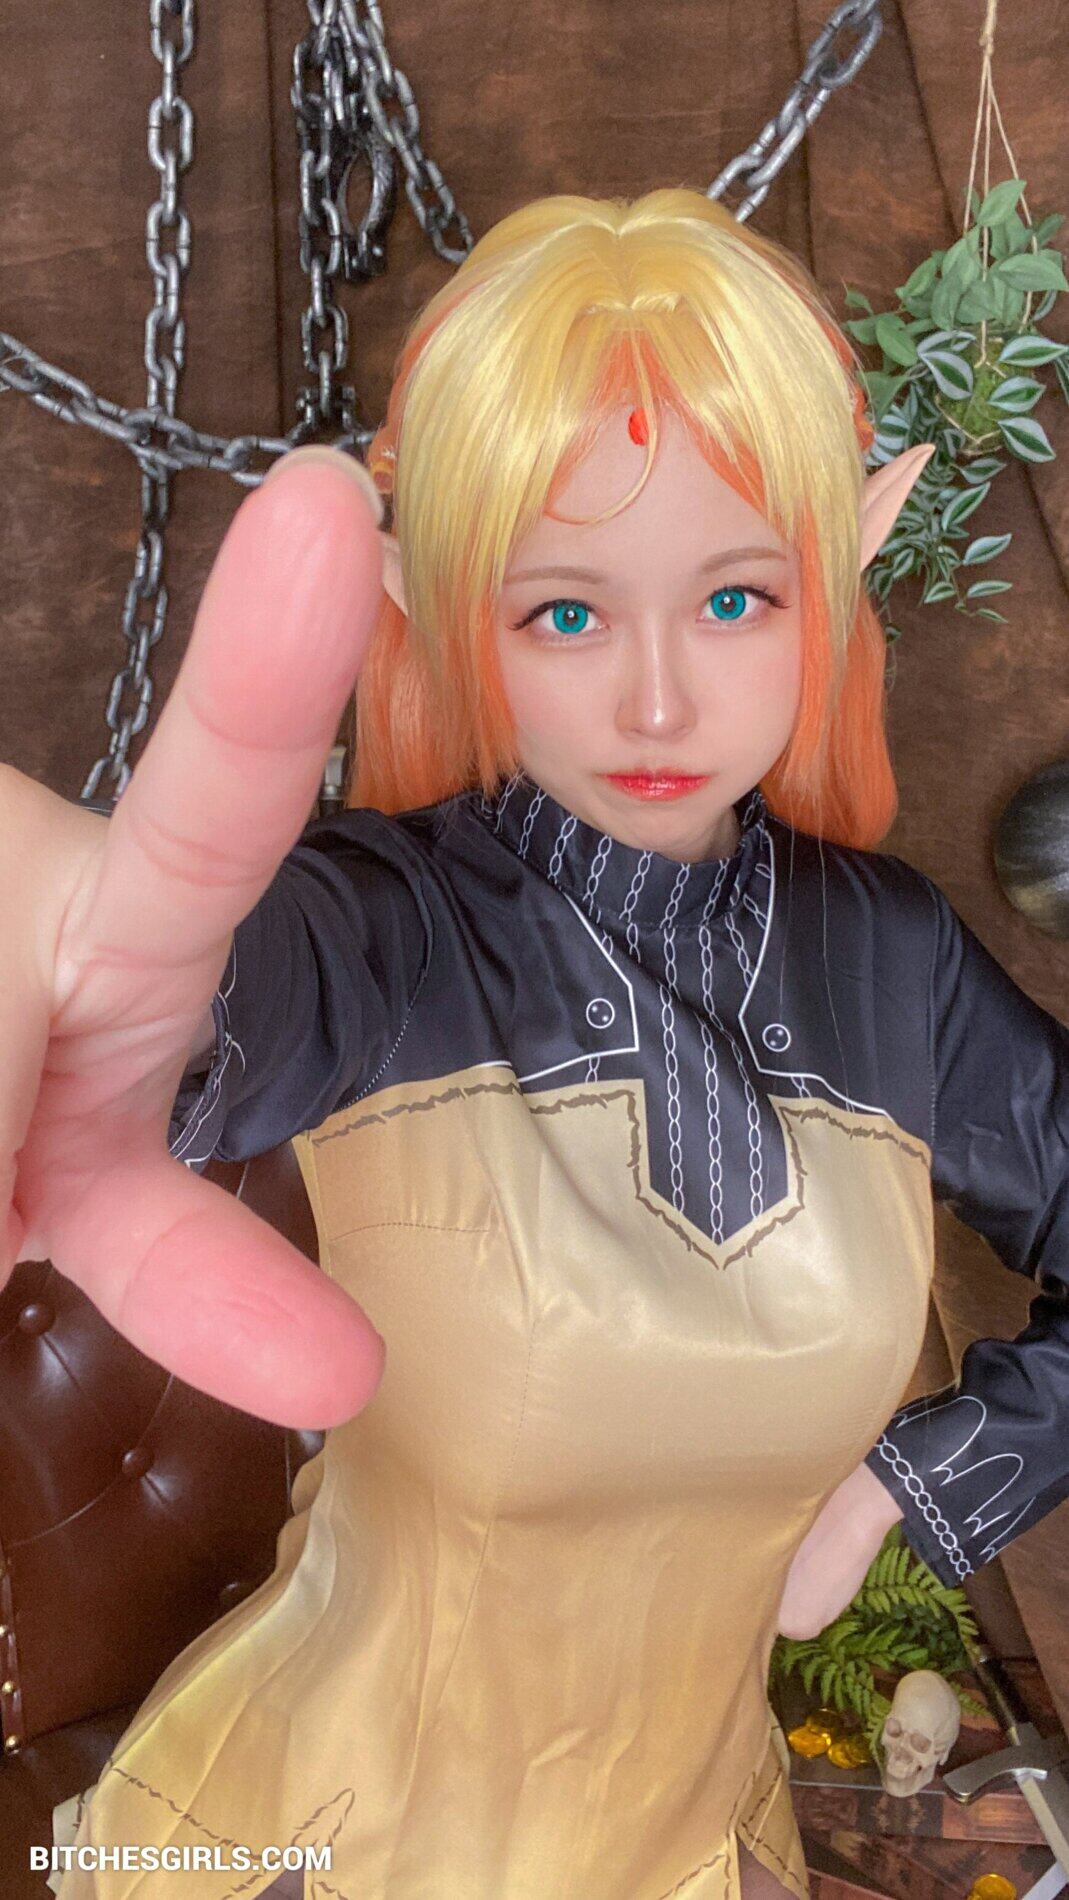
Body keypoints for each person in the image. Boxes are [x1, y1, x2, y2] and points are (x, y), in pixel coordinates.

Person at [5, 188, 1065, 1898]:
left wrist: (906, 1490)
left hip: (701, 1849)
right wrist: (73, 977)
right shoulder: (384, 925)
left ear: (843, 561)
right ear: (438, 605)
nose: (656, 701)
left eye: (735, 599)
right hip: (315, 1841)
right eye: (565, 613)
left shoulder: (895, 962)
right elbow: (191, 1001)